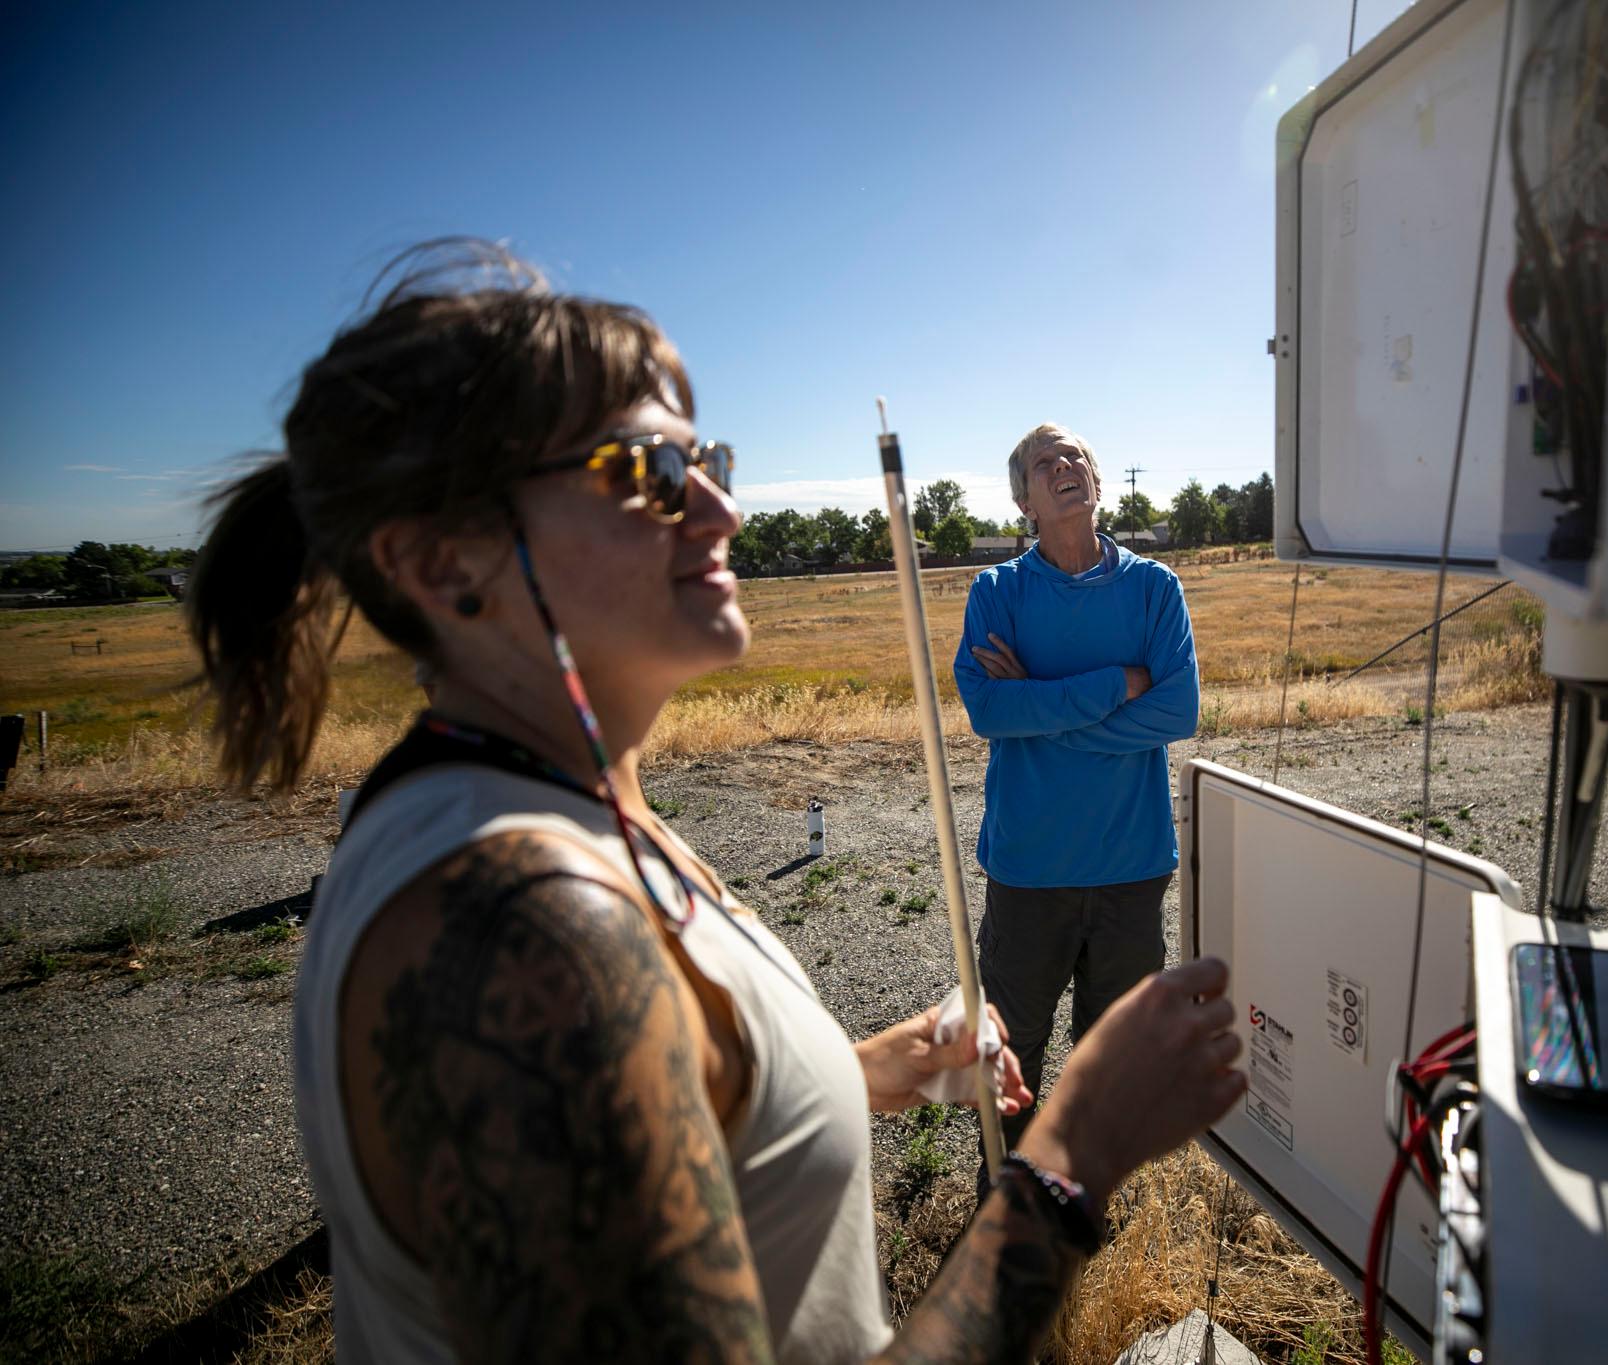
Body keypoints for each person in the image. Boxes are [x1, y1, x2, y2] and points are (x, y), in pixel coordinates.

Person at [187, 242, 1245, 1364]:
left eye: (708, 462)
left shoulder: (570, 814)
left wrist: (866, 1069)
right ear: (446, 563)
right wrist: (1071, 1158)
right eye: (642, 471)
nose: (720, 510)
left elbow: (676, 1105)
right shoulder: (517, 933)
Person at [952, 423, 1201, 1164]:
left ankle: (1082, 1191)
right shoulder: (996, 592)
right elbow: (989, 711)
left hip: (1132, 865)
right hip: (1031, 870)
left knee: (1113, 1050)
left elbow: (1177, 711)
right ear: (1023, 499)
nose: (1066, 466)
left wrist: (1042, 706)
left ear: (1095, 480)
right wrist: (1110, 688)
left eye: (1078, 457)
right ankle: (1005, 1198)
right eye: (1044, 461)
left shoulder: (1155, 589)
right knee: (1012, 1045)